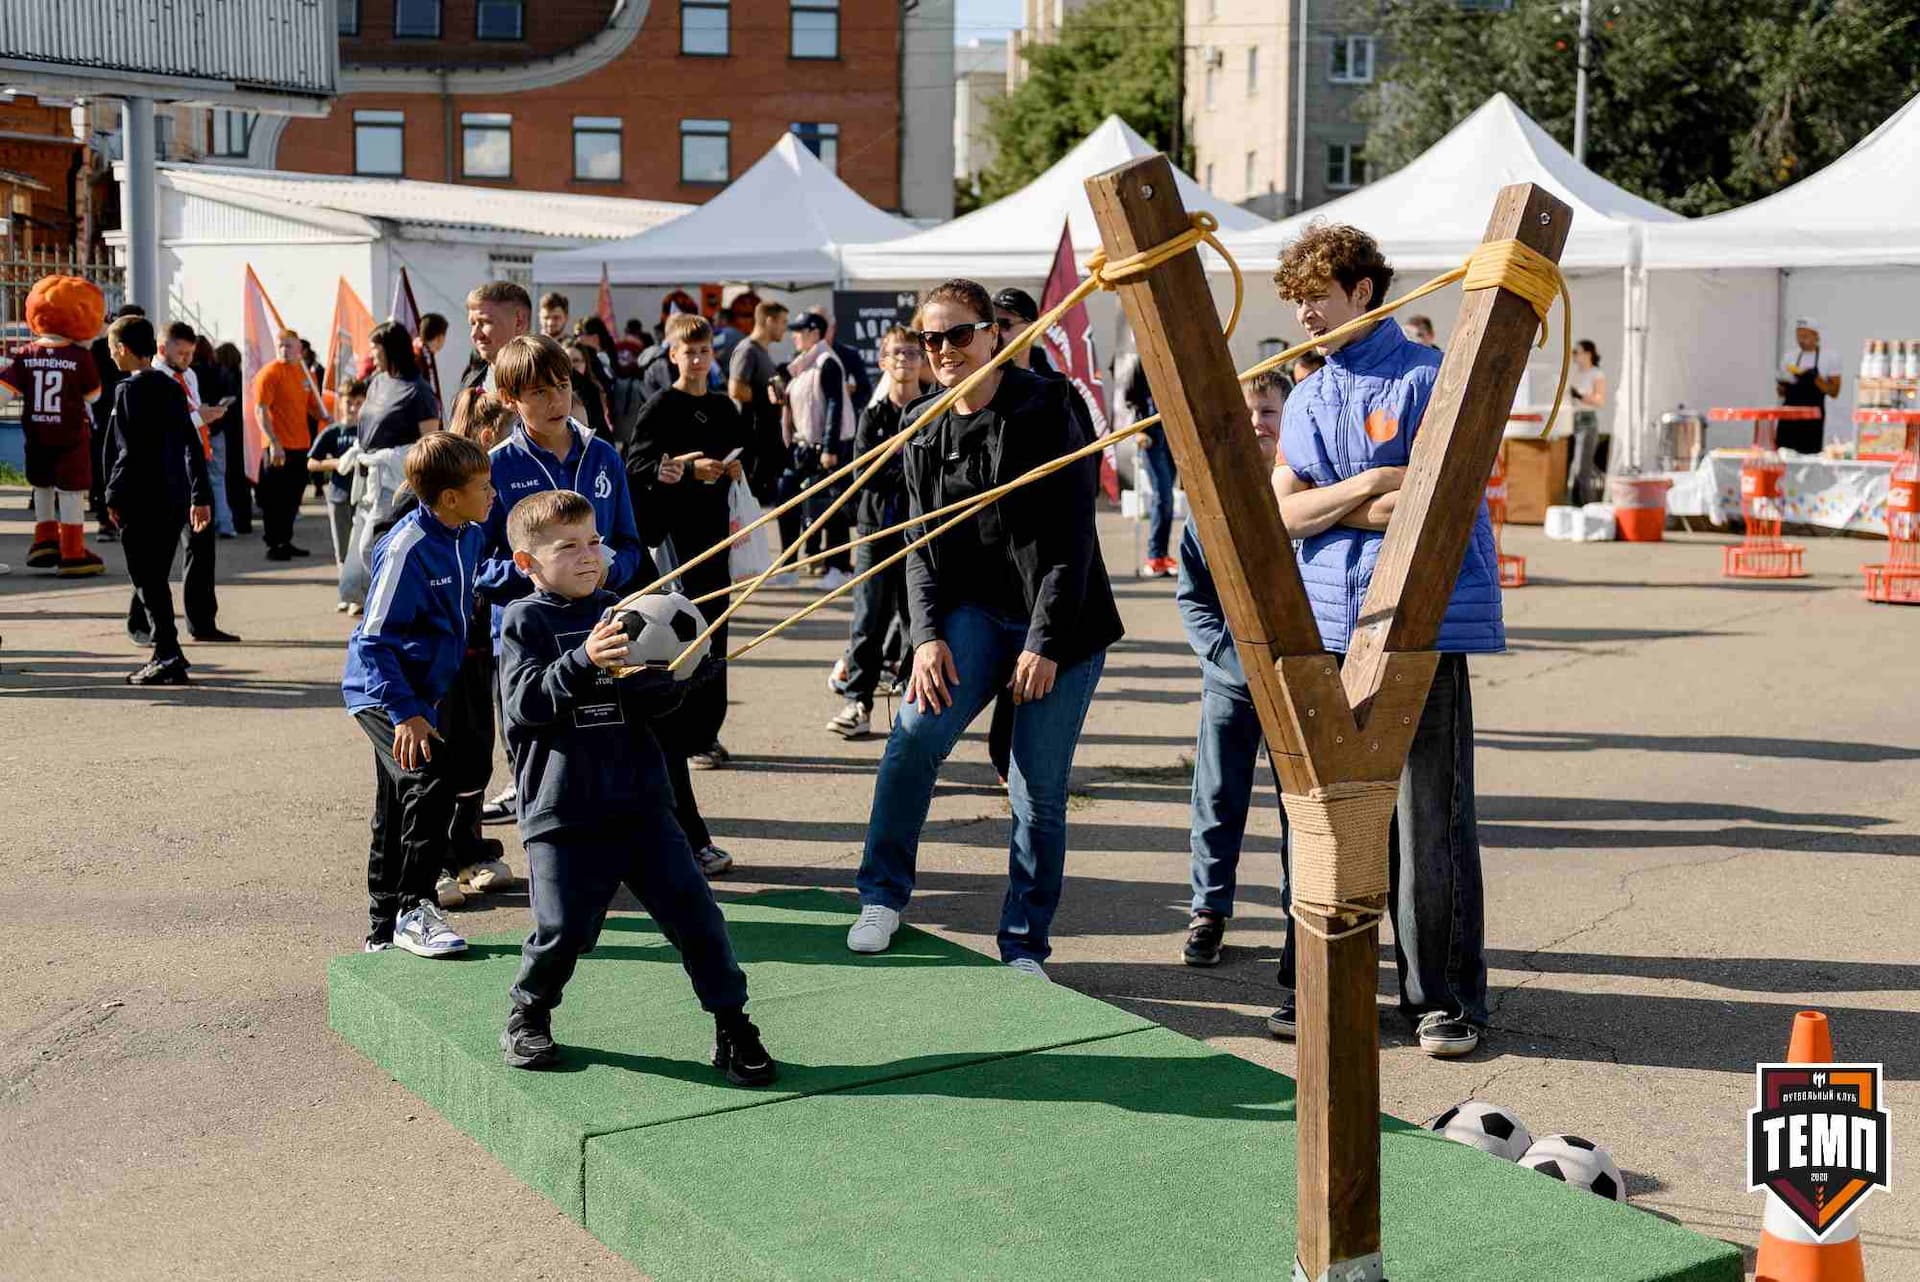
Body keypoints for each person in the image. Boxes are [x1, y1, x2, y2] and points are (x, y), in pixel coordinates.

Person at [1268, 220, 1500, 1057]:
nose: (1303, 318)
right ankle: (1316, 981)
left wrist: (1329, 506)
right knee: (1320, 811)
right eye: (1294, 303)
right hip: (1325, 624)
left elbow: (1440, 496)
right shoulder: (1305, 394)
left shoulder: (1431, 377)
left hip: (1420, 624)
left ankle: (1442, 998)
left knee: (1427, 815)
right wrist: (1368, 483)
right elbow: (1282, 512)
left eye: (1315, 300)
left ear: (1363, 292)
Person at [845, 279, 1121, 977]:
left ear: (994, 335)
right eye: (929, 339)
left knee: (1037, 785)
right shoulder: (924, 430)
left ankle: (1024, 942)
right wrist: (926, 637)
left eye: (959, 334)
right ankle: (882, 894)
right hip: (972, 615)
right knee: (913, 737)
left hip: (1060, 621)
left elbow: (1071, 542)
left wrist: (1045, 643)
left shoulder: (1050, 408)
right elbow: (920, 553)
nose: (943, 351)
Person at [494, 488, 775, 1082]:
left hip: (643, 805)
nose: (587, 555)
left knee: (699, 918)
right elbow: (524, 705)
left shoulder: (628, 612)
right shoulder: (526, 620)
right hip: (563, 811)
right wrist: (584, 661)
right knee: (563, 928)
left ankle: (733, 1025)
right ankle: (529, 1012)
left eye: (594, 541)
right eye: (567, 547)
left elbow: (649, 707)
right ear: (528, 563)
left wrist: (680, 682)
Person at [479, 333, 653, 823]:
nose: (555, 400)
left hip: (602, 630)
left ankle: (619, 852)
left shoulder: (604, 456)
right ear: (510, 400)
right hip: (526, 640)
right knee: (538, 765)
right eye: (538, 392)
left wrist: (606, 568)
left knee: (608, 751)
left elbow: (631, 545)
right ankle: (549, 861)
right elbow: (477, 565)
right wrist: (541, 578)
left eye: (561, 385)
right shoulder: (495, 468)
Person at [340, 431, 495, 956]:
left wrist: (524, 573)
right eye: (482, 485)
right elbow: (373, 638)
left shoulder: (467, 533)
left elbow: (474, 580)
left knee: (395, 798)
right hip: (381, 690)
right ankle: (414, 907)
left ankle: (381, 929)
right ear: (450, 497)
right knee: (431, 773)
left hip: (418, 693)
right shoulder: (406, 547)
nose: (491, 492)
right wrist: (405, 713)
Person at [626, 313, 750, 871]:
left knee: (717, 635)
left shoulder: (724, 407)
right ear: (672, 355)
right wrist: (678, 467)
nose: (697, 359)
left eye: (704, 350)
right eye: (688, 351)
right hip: (675, 539)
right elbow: (638, 464)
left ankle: (706, 732)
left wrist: (731, 473)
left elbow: (751, 455)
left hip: (716, 533)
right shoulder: (661, 407)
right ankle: (684, 731)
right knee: (683, 634)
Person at [1177, 369, 1291, 969]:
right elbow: (1192, 594)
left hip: (1300, 682)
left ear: (1289, 419)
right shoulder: (1209, 503)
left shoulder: (1312, 491)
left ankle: (1301, 917)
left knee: (1299, 808)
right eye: (1248, 411)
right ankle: (1208, 911)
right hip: (1231, 679)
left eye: (1269, 411)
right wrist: (1222, 655)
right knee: (1218, 799)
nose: (1257, 423)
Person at [101, 315, 213, 686]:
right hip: (173, 496)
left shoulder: (129, 391)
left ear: (122, 349)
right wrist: (199, 494)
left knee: (146, 578)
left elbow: (127, 451)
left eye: (111, 347)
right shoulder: (171, 387)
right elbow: (191, 443)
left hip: (141, 498)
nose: (110, 354)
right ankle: (168, 650)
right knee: (156, 578)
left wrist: (113, 495)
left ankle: (167, 653)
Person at [827, 325, 923, 739]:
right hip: (876, 529)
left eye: (911, 352)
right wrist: (902, 470)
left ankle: (910, 699)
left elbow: (935, 476)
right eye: (895, 353)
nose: (904, 359)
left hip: (920, 534)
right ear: (883, 362)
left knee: (916, 618)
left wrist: (900, 470)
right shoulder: (874, 414)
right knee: (869, 616)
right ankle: (859, 701)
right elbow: (866, 473)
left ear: (923, 360)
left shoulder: (934, 411)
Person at [0, 275, 105, 577]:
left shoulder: (24, 355)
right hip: (70, 435)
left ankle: (44, 540)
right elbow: (94, 395)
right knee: (71, 493)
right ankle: (72, 551)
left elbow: (5, 390)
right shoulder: (80, 357)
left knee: (42, 486)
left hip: (36, 433)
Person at [158, 322, 238, 640]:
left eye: (190, 353)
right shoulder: (153, 380)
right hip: (168, 472)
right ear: (163, 349)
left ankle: (203, 622)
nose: (187, 359)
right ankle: (145, 624)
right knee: (158, 556)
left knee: (202, 550)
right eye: (181, 353)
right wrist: (198, 417)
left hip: (195, 464)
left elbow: (188, 420)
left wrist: (203, 416)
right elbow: (164, 427)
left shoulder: (189, 376)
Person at [781, 312, 855, 586]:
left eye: (799, 330)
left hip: (826, 447)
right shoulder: (803, 364)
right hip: (805, 445)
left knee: (833, 507)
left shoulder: (827, 362)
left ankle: (838, 566)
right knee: (788, 500)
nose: (794, 335)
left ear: (814, 332)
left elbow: (835, 404)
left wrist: (829, 446)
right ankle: (788, 566)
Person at [251, 327, 326, 561]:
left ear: (299, 349)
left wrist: (327, 416)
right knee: (275, 499)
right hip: (278, 447)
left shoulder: (306, 374)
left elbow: (312, 406)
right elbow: (260, 410)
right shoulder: (269, 373)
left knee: (293, 498)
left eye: (289, 346)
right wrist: (274, 442)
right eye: (280, 345)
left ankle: (286, 539)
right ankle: (274, 544)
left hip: (301, 444)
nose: (284, 350)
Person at [308, 376, 367, 605]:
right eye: (348, 402)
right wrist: (336, 464)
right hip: (339, 496)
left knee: (361, 546)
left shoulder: (369, 430)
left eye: (358, 402)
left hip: (363, 496)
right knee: (342, 548)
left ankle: (359, 594)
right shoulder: (333, 431)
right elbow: (312, 462)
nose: (353, 408)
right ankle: (346, 590)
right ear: (340, 402)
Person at [728, 300, 789, 505]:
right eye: (782, 322)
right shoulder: (747, 350)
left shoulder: (762, 351)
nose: (785, 328)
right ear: (769, 320)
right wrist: (766, 396)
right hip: (751, 443)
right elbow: (735, 389)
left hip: (764, 442)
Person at [1128, 359, 1177, 578]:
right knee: (1163, 495)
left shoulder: (1174, 358)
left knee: (1168, 498)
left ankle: (1162, 554)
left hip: (1172, 433)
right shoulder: (1141, 360)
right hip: (1151, 435)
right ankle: (1155, 554)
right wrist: (1139, 428)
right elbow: (1131, 397)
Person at [359, 320, 441, 451]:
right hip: (368, 469)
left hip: (398, 470)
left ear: (390, 349)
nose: (370, 354)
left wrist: (392, 459)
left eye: (374, 348)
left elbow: (430, 450)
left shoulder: (419, 391)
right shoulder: (377, 382)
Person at [1777, 317, 1841, 455]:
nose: (1801, 340)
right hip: (1789, 416)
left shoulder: (1829, 357)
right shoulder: (1789, 357)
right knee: (1783, 454)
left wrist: (1815, 379)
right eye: (1798, 336)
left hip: (1812, 419)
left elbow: (1834, 392)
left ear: (1816, 336)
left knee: (1809, 456)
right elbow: (1781, 394)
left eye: (1805, 336)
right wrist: (1783, 384)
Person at [212, 342, 252, 535]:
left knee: (227, 479)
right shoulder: (243, 378)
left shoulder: (221, 377)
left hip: (227, 431)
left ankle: (233, 519)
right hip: (243, 432)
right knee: (241, 479)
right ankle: (244, 520)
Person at [1567, 339, 1608, 504]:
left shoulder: (1596, 374)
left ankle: (1588, 506)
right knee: (1574, 469)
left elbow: (1600, 401)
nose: (1574, 356)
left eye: (1577, 352)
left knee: (1581, 470)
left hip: (1587, 422)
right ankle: (1575, 506)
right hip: (1573, 421)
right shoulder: (1575, 373)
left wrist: (1581, 396)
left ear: (1588, 354)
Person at [989, 287, 1059, 379]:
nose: (995, 332)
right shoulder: (980, 371)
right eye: (990, 324)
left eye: (1004, 324)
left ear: (1032, 328)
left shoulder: (1050, 363)